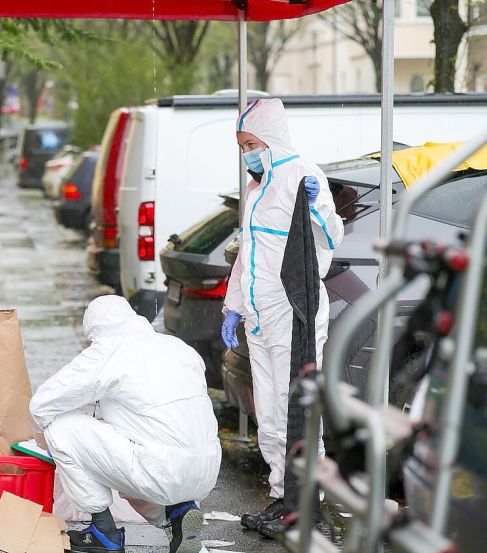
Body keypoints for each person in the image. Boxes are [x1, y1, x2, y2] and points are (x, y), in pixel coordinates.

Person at [220, 98, 343, 537]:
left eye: (251, 143)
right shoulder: (257, 188)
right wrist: (233, 306)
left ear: (270, 139)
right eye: (241, 146)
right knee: (269, 413)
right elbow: (247, 254)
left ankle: (308, 503)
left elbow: (333, 236)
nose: (247, 153)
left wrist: (315, 208)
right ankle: (280, 496)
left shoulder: (304, 176)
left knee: (299, 411)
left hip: (294, 312)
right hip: (259, 314)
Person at [30, 295, 221, 553]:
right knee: (139, 446)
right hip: (206, 470)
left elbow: (42, 403)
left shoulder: (109, 350)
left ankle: (103, 532)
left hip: (160, 468)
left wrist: (53, 445)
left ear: (95, 331)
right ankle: (180, 513)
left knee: (60, 428)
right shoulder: (178, 347)